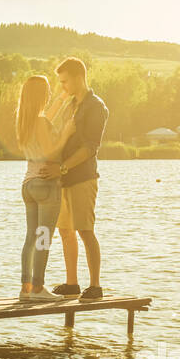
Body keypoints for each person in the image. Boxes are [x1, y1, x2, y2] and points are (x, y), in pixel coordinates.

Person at [38, 56, 108, 300]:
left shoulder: (96, 107)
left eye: (65, 82)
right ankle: (72, 283)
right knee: (65, 230)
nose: (63, 86)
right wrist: (60, 97)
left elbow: (90, 148)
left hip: (82, 177)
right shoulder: (69, 104)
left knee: (85, 230)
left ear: (79, 77)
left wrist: (63, 169)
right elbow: (45, 121)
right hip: (63, 178)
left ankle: (96, 286)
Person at [14, 75, 70, 301]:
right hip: (46, 185)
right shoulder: (42, 122)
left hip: (28, 184)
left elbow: (46, 118)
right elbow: (53, 151)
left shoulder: (24, 121)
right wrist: (67, 132)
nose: (49, 95)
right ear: (40, 96)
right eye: (46, 91)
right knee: (44, 237)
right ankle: (39, 288)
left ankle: (26, 288)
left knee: (31, 238)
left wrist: (61, 99)